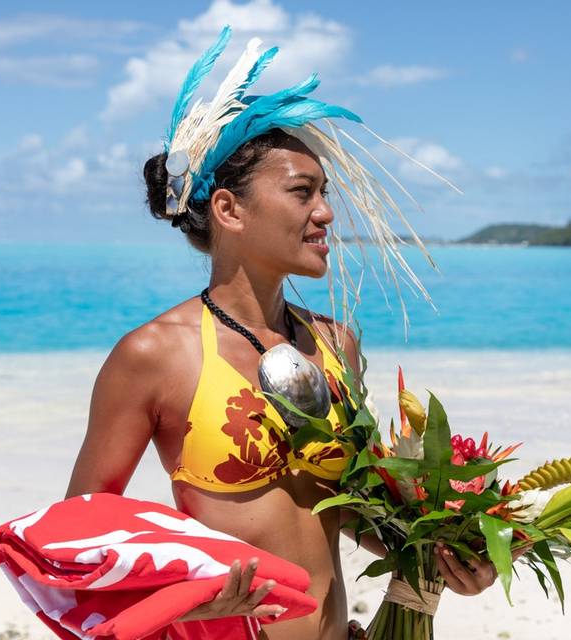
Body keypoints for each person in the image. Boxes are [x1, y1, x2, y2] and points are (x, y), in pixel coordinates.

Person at [64, 27, 500, 640]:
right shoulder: (156, 354)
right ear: (229, 210)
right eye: (302, 192)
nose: (325, 212)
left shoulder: (334, 344)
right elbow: (77, 540)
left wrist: (442, 553)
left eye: (325, 193)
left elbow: (345, 508)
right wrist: (183, 605)